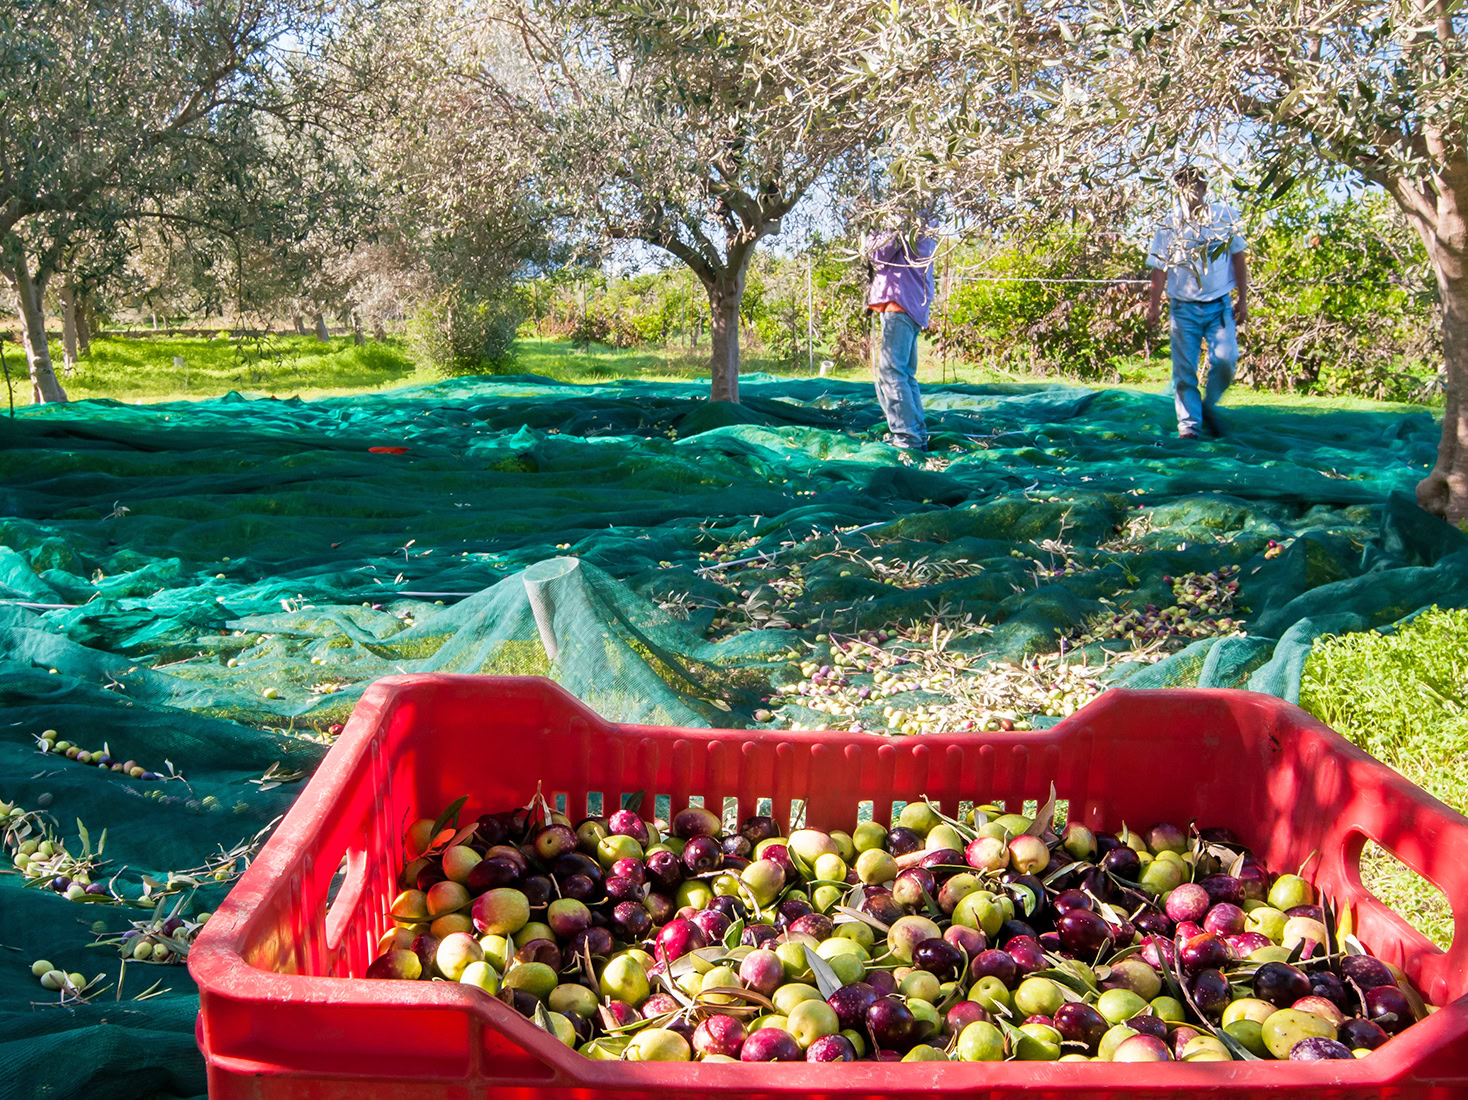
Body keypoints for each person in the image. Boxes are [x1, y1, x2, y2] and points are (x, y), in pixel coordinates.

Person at [1146, 168, 1250, 439]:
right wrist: (1153, 305)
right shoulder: (1169, 225)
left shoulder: (1224, 217)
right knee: (1184, 371)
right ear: (1178, 190)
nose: (1192, 192)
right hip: (1183, 308)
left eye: (1197, 186)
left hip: (1219, 305)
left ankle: (1209, 405)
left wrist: (1243, 300)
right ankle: (1189, 427)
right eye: (1186, 188)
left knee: (1227, 360)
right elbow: (1159, 268)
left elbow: (1239, 258)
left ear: (1204, 188)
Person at [866, 218, 938, 453]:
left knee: (892, 373)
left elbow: (879, 253)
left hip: (900, 302)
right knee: (906, 374)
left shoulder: (906, 219)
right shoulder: (926, 218)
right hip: (911, 303)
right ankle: (917, 434)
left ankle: (907, 438)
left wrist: (874, 234)